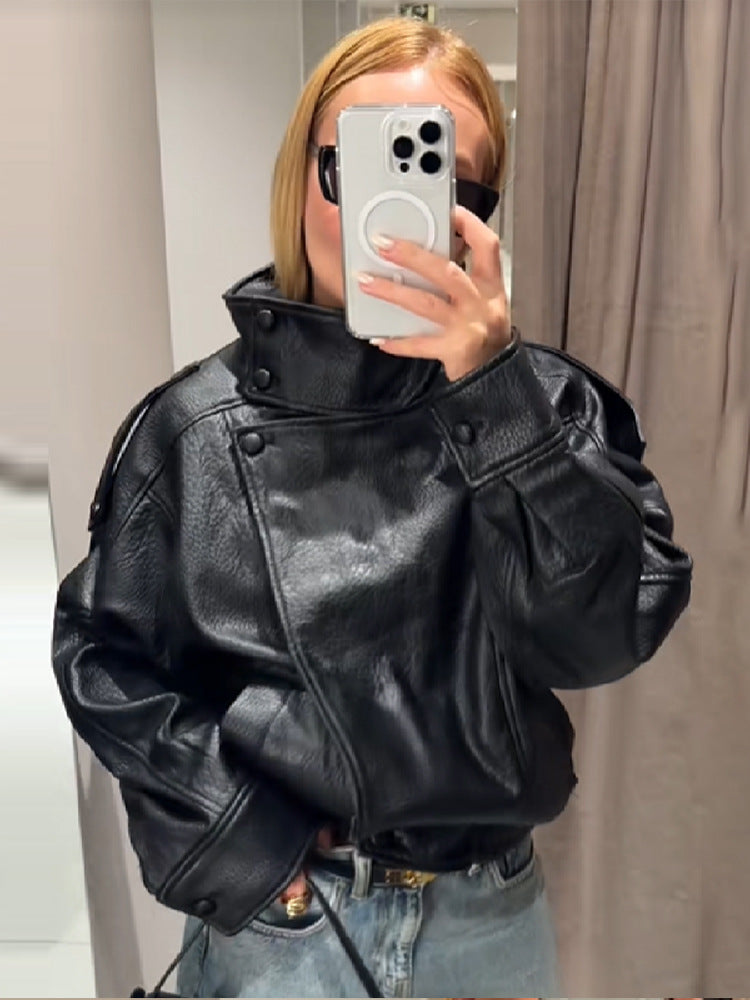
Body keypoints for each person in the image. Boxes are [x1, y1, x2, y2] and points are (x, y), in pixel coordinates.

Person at [51, 15, 692, 999]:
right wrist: (242, 841)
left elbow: (600, 637)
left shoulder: (547, 407)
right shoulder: (195, 428)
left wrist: (496, 394)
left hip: (488, 921)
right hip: (288, 933)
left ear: (479, 213)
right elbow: (103, 656)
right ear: (300, 176)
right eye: (353, 165)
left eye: (441, 179)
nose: (388, 210)